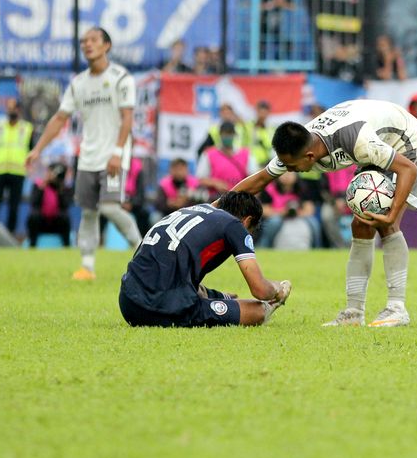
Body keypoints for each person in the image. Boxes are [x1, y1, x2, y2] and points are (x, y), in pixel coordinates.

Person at [232, 99, 417, 327]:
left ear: (308, 157)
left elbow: (409, 168)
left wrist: (392, 213)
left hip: (407, 141)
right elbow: (261, 179)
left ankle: (397, 309)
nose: (289, 171)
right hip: (379, 136)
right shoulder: (299, 145)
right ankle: (353, 313)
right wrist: (218, 205)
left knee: (387, 223)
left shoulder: (358, 141)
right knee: (360, 225)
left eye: (292, 167)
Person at [26, 27, 142, 280]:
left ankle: (143, 250)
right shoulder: (79, 83)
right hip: (88, 158)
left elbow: (127, 118)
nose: (87, 45)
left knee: (110, 209)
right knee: (88, 212)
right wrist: (37, 149)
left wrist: (118, 152)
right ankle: (87, 267)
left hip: (113, 156)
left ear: (106, 45)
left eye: (93, 40)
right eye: (83, 41)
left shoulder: (122, 78)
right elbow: (59, 118)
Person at [118, 191, 291, 328]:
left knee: (196, 288)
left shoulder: (195, 210)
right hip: (161, 307)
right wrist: (277, 290)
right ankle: (272, 305)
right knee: (258, 311)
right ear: (247, 221)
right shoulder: (235, 226)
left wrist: (219, 296)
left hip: (127, 302)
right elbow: (260, 290)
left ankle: (218, 298)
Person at [0, 98, 34, 236]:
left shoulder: (27, 128)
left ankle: (10, 235)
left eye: (13, 108)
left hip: (18, 171)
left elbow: (31, 149)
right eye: (8, 108)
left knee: (14, 206)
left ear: (19, 110)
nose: (11, 110)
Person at [258, 171, 319, 249]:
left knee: (313, 221)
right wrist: (283, 212)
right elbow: (263, 210)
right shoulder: (269, 189)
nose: (287, 176)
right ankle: (264, 246)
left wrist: (297, 212)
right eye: (283, 173)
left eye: (290, 173)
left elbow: (310, 209)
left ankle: (317, 247)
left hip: (298, 217)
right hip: (278, 217)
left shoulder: (303, 189)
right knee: (275, 221)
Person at [196, 122, 257, 199]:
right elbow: (201, 179)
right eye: (225, 134)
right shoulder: (208, 154)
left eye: (230, 133)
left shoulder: (246, 154)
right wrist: (216, 183)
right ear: (220, 135)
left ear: (234, 135)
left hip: (240, 199)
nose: (227, 137)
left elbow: (253, 177)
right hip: (216, 198)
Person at [27, 162, 72, 247]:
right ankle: (32, 245)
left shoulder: (64, 188)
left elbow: (65, 205)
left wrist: (60, 188)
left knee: (65, 218)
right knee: (33, 217)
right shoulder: (38, 185)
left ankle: (67, 246)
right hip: (41, 221)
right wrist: (43, 186)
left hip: (56, 222)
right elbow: (34, 203)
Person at [239, 100, 275, 167]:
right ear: (256, 111)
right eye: (260, 111)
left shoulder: (271, 130)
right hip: (250, 164)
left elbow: (272, 148)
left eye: (265, 112)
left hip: (266, 164)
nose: (262, 114)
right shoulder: (247, 126)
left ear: (268, 113)